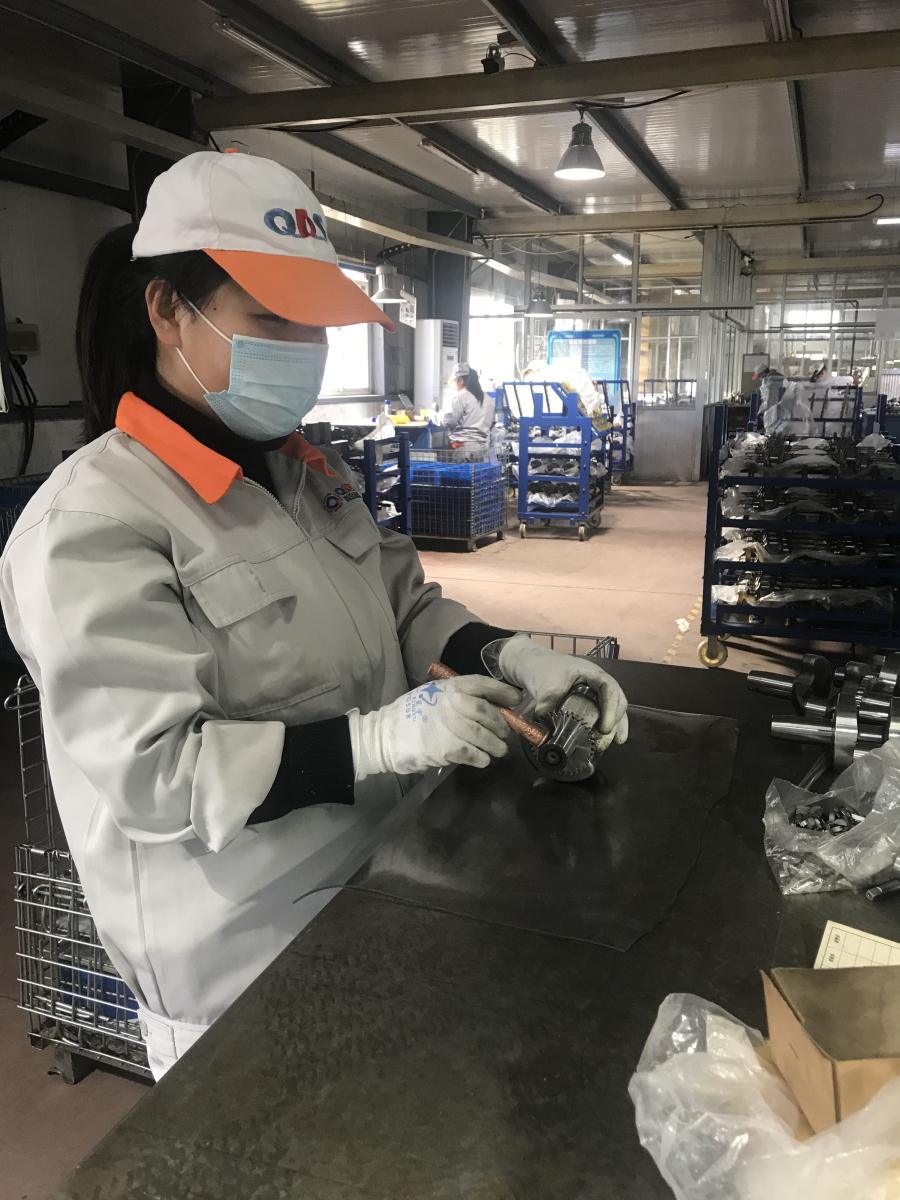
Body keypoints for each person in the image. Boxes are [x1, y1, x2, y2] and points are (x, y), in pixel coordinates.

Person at [0, 151, 628, 1080]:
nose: (303, 347)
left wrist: (513, 655)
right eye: (272, 319)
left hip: (382, 883)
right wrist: (376, 741)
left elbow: (404, 607)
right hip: (241, 968)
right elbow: (156, 776)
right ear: (168, 310)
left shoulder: (305, 472)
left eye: (315, 324)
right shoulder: (93, 523)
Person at [445, 363, 495, 450]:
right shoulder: (489, 399)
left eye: (455, 382)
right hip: (484, 447)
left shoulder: (460, 397)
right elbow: (491, 424)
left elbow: (450, 420)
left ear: (460, 380)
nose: (455, 386)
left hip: (465, 448)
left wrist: (434, 416)